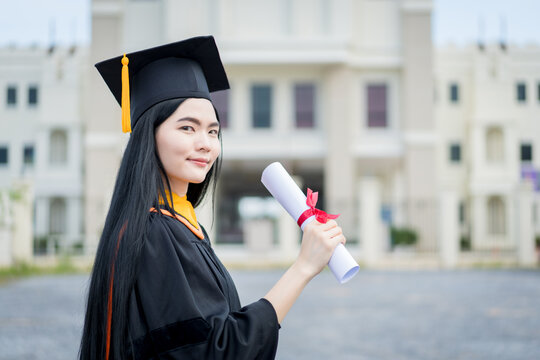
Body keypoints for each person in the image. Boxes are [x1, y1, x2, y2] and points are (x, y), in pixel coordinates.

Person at [79, 35, 346, 360]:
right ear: (149, 135)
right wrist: (302, 268)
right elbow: (214, 352)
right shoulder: (155, 236)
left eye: (213, 131)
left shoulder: (178, 225)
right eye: (187, 128)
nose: (206, 143)